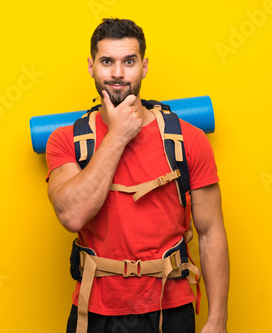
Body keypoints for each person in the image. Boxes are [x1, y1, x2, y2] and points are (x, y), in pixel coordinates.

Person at [46, 18, 229, 333]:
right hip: (95, 312)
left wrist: (217, 320)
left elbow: (211, 233)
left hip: (170, 310)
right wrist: (117, 136)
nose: (117, 73)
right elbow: (72, 216)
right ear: (91, 66)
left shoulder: (189, 139)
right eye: (107, 62)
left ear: (144, 67)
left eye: (128, 61)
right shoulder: (66, 141)